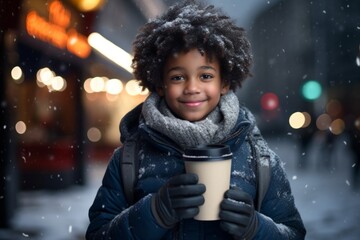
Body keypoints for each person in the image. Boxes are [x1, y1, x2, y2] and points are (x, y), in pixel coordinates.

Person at [86, 1, 306, 239]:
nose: (192, 87)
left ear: (224, 83)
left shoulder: (258, 158)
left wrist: (256, 228)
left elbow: (292, 233)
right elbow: (99, 234)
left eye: (205, 75)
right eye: (178, 76)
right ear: (160, 84)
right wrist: (154, 212)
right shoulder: (129, 159)